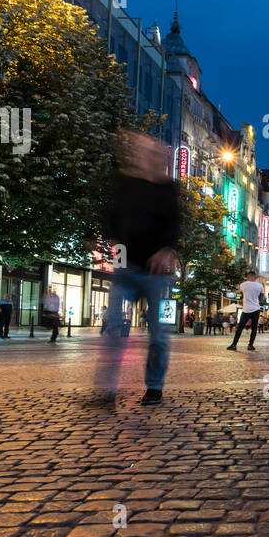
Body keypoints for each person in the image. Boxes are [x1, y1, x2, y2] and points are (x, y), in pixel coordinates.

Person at [93, 129, 181, 406]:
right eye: (146, 151)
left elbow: (175, 225)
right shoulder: (125, 183)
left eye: (156, 153)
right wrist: (116, 254)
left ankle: (154, 387)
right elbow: (111, 218)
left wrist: (166, 250)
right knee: (113, 326)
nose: (150, 156)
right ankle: (106, 391)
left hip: (158, 274)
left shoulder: (168, 188)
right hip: (126, 267)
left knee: (158, 334)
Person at [226, 272, 264, 352]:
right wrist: (255, 299)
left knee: (239, 328)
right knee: (254, 329)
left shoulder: (243, 285)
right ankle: (250, 345)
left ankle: (234, 345)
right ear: (255, 277)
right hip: (256, 309)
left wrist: (246, 298)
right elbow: (261, 299)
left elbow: (241, 296)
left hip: (246, 309)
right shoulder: (260, 286)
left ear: (248, 277)